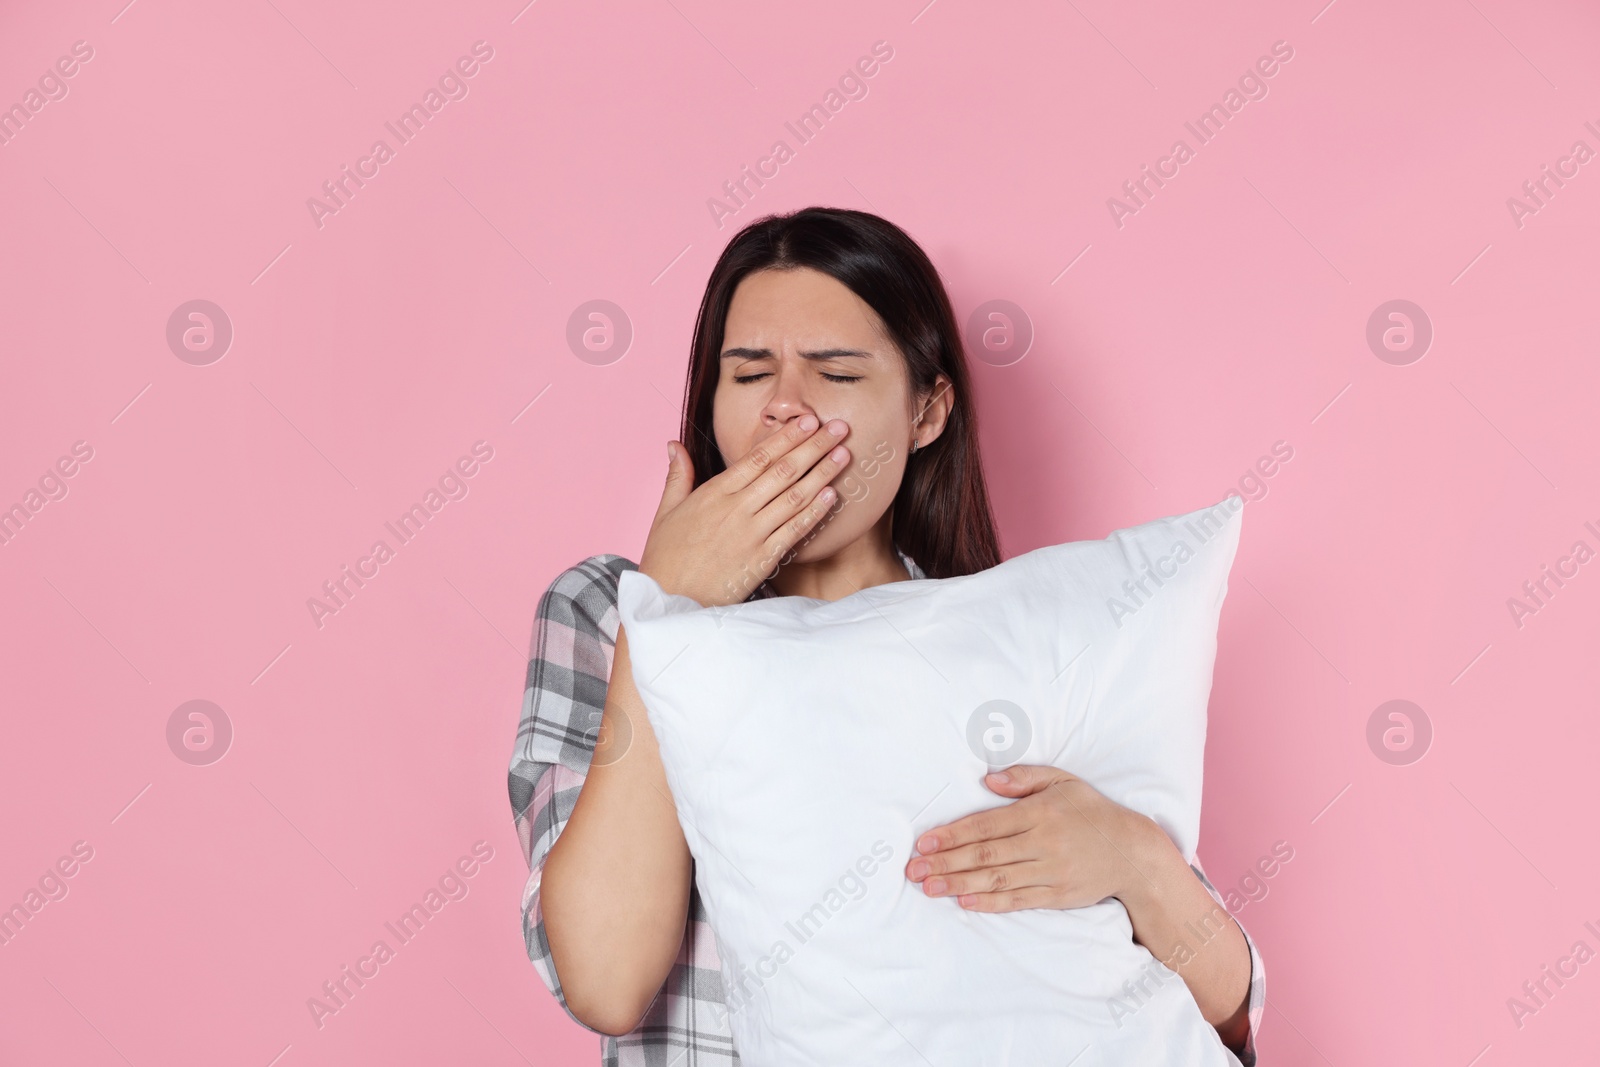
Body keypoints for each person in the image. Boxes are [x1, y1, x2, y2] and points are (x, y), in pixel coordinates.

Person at [509, 206, 1264, 1064]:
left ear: (927, 411)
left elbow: (1231, 1017)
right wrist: (666, 612)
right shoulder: (606, 608)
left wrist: (1136, 860)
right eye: (750, 373)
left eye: (836, 374)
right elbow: (606, 979)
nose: (786, 410)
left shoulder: (1024, 635)